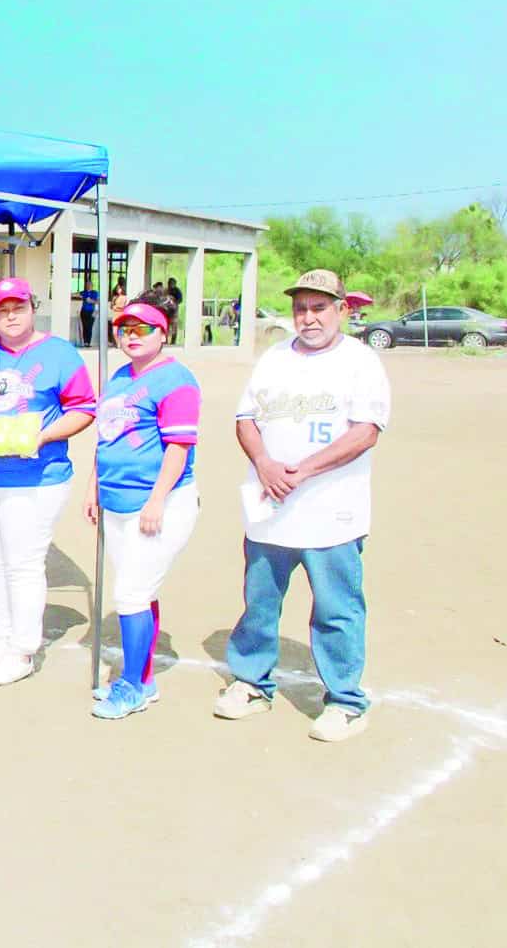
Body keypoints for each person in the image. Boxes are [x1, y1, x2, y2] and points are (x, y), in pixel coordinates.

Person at [215, 269, 390, 743]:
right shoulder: (273, 358)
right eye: (300, 308)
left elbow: (365, 432)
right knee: (259, 603)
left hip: (332, 513)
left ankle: (346, 702)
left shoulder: (360, 361)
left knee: (337, 608)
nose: (308, 318)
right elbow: (246, 418)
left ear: (342, 310)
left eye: (319, 307)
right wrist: (265, 463)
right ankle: (252, 683)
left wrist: (304, 470)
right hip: (270, 508)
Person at [0, 277, 96, 686]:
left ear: (33, 307)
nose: (10, 316)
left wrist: (42, 435)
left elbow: (83, 409)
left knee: (24, 562)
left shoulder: (60, 354)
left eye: (19, 307)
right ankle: (3, 635)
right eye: (1, 310)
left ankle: (23, 649)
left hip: (37, 476)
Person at [83, 293, 201, 719]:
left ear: (163, 333)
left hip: (157, 504)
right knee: (139, 589)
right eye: (124, 329)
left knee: (130, 593)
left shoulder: (177, 380)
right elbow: (106, 437)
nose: (131, 337)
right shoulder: (118, 377)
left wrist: (157, 500)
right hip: (116, 500)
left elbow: (179, 447)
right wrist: (94, 488)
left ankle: (132, 685)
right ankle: (143, 677)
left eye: (142, 329)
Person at [165, 278, 185, 343]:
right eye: (170, 283)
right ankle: (165, 341)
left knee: (174, 326)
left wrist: (174, 301)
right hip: (166, 311)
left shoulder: (177, 291)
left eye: (172, 283)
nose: (171, 285)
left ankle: (173, 342)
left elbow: (180, 300)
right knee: (166, 326)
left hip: (174, 311)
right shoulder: (166, 290)